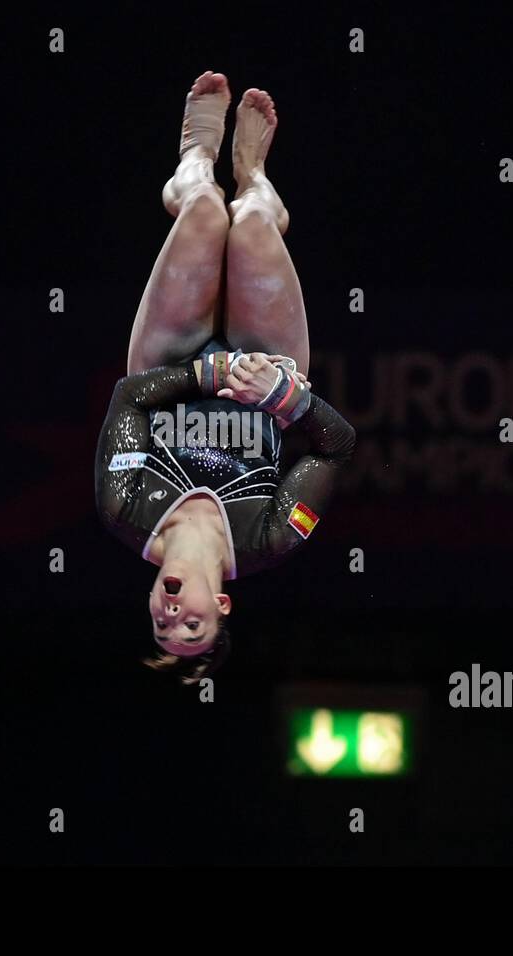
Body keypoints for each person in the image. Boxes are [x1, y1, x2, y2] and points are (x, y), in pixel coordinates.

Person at [95, 71, 356, 682]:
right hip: (266, 373)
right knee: (254, 224)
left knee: (208, 213)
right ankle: (259, 181)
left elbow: (129, 399)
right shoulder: (270, 539)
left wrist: (206, 373)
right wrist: (287, 399)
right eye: (193, 627)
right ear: (221, 606)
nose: (173, 616)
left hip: (169, 366)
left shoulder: (125, 510)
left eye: (162, 625)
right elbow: (337, 448)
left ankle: (193, 165)